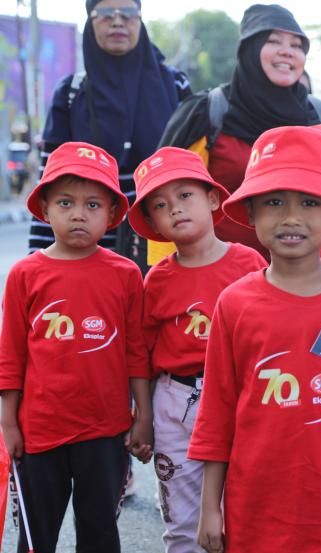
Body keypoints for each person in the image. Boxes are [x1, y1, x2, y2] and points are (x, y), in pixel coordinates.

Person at [188, 126, 321, 552]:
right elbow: (216, 413)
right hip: (258, 506)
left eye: (309, 203)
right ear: (249, 214)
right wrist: (210, 506)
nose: (291, 218)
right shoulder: (234, 303)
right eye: (273, 203)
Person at [0, 142, 153, 553]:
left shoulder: (124, 275)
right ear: (45, 209)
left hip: (105, 431)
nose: (78, 214)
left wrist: (143, 416)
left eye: (92, 205)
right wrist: (9, 424)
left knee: (100, 531)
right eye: (65, 202)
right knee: (36, 535)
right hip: (39, 432)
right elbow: (11, 357)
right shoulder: (25, 274)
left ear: (112, 215)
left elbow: (136, 352)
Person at [128, 147, 266, 553]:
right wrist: (143, 416)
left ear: (212, 198)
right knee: (182, 522)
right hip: (174, 400)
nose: (175, 209)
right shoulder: (156, 280)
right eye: (160, 204)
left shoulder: (249, 264)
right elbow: (141, 354)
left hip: (240, 396)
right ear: (152, 220)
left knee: (240, 511)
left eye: (185, 195)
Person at [158, 3, 321, 259]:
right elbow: (167, 197)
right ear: (250, 49)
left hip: (312, 280)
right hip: (220, 279)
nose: (287, 52)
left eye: (297, 45)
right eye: (274, 41)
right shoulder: (206, 113)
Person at [29, 0, 191, 272]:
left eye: (128, 13)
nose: (118, 21)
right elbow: (49, 183)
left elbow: (193, 174)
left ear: (140, 21)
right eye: (105, 13)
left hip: (165, 247)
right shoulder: (71, 93)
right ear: (90, 23)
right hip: (87, 253)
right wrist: (38, 262)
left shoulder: (175, 85)